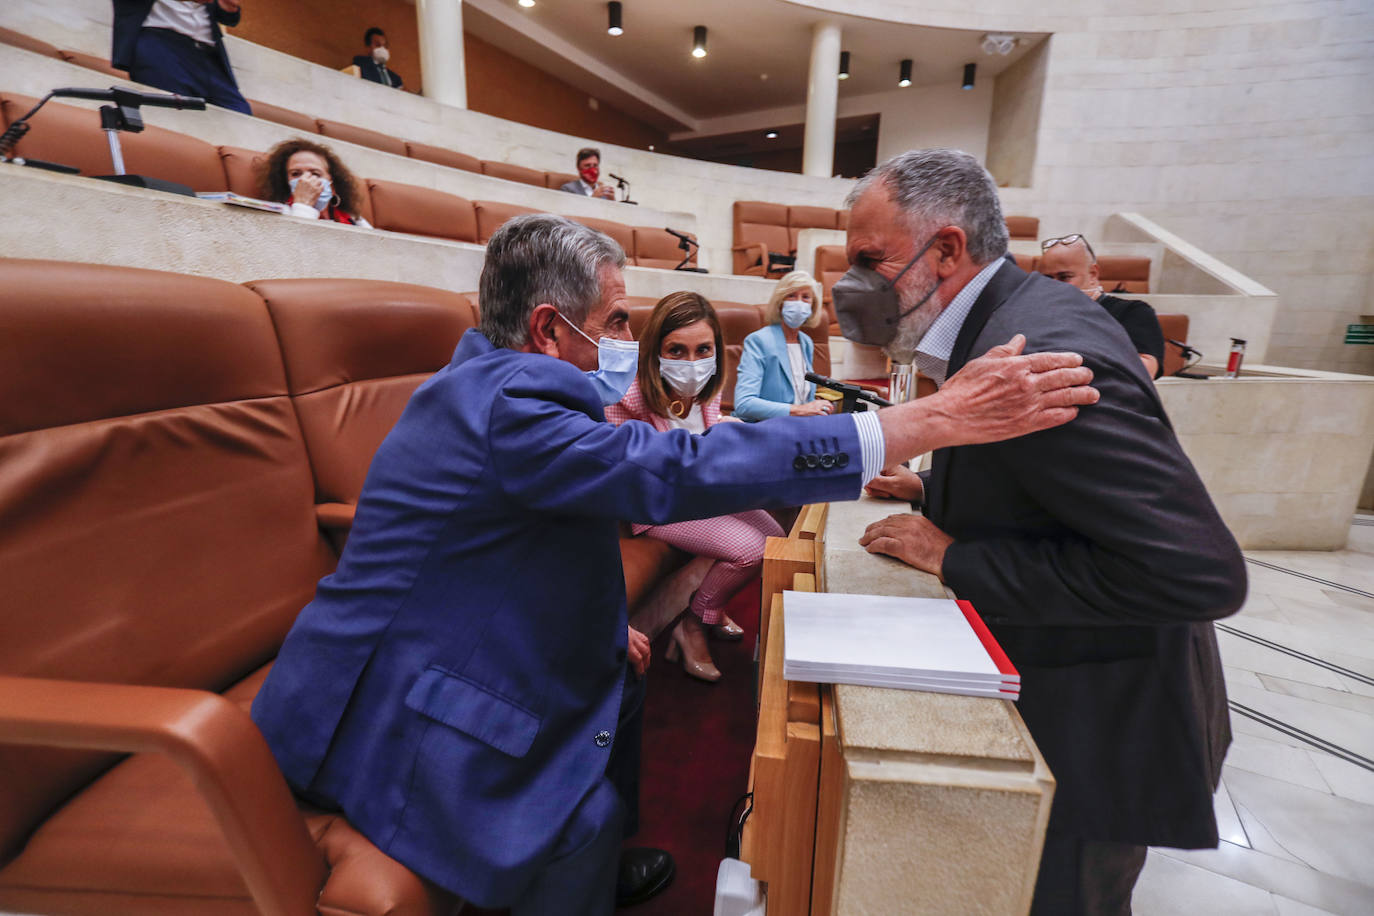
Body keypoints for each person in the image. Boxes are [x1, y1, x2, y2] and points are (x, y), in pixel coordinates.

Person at [249, 212, 1097, 916]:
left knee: (618, 678)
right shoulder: (507, 402)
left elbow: (518, 534)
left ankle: (580, 869)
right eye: (617, 320)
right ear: (550, 326)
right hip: (379, 702)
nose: (631, 338)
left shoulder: (502, 386)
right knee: (585, 815)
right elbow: (669, 474)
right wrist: (915, 424)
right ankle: (569, 869)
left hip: (453, 628)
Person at [839, 149, 1246, 916]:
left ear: (948, 250)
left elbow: (1198, 574)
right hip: (1070, 708)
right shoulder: (1010, 319)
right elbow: (1046, 484)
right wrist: (932, 486)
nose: (854, 283)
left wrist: (960, 558)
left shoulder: (1045, 354)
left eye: (870, 259)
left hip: (1097, 735)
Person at [605, 291, 780, 683]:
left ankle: (708, 606)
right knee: (750, 550)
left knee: (776, 535)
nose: (693, 364)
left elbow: (707, 440)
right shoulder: (623, 398)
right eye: (677, 351)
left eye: (704, 349)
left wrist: (727, 438)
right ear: (655, 351)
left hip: (698, 491)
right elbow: (628, 476)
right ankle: (694, 625)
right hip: (656, 502)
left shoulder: (707, 389)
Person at [1038, 234, 1165, 379]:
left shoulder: (1132, 313)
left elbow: (1144, 371)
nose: (1055, 285)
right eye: (1047, 279)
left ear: (1093, 274)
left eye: (1065, 277)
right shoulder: (1039, 316)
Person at [111, 0, 251, 115]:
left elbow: (227, 18)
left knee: (240, 114)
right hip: (162, 46)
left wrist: (229, 7)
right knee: (174, 112)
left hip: (209, 57)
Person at [732, 270, 834, 421]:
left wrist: (817, 406)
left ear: (813, 306)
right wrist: (800, 410)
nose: (799, 303)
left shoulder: (806, 342)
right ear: (780, 303)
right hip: (766, 429)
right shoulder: (759, 341)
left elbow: (804, 397)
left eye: (805, 297)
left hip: (799, 428)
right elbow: (744, 404)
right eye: (791, 295)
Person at [260, 138, 372, 226]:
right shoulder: (281, 213)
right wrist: (303, 205)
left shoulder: (354, 220)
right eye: (295, 174)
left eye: (315, 174)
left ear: (332, 187)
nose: (305, 180)